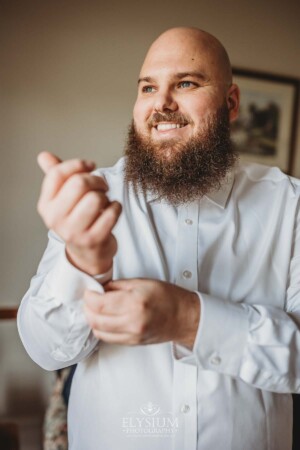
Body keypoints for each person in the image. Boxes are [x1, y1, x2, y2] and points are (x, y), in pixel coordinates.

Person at [17, 27, 300, 450]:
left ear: (232, 103)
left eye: (186, 83)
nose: (161, 103)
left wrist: (188, 319)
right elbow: (46, 350)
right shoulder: (92, 199)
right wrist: (82, 263)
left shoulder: (291, 206)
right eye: (148, 87)